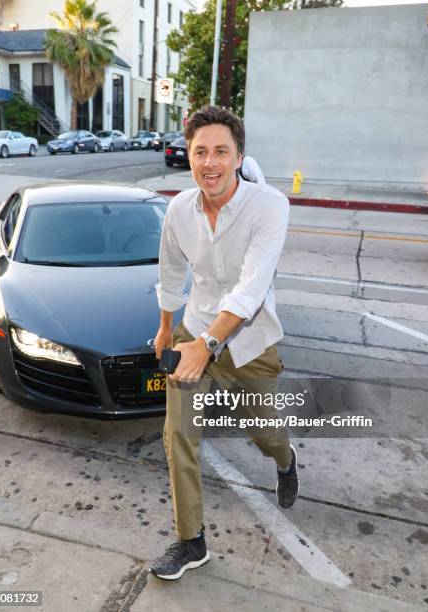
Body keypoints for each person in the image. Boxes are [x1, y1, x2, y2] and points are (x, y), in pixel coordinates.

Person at [150, 106, 299, 581]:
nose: (209, 162)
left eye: (220, 151)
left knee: (263, 431)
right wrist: (166, 327)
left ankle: (286, 459)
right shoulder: (178, 209)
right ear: (188, 157)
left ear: (238, 157)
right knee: (179, 435)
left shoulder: (270, 206)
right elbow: (172, 273)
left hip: (247, 341)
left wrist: (207, 345)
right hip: (193, 329)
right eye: (200, 152)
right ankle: (191, 541)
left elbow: (252, 289)